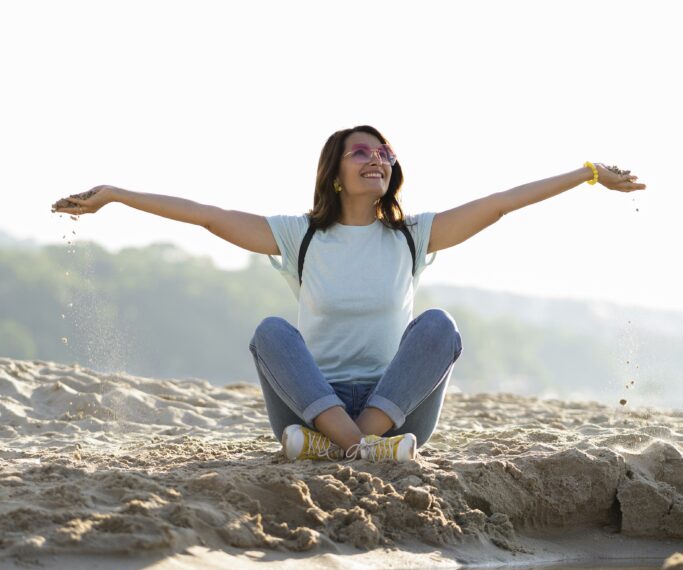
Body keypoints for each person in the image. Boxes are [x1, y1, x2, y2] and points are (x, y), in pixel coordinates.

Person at [52, 129, 645, 463]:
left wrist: (587, 172)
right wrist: (118, 195)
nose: (377, 159)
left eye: (384, 153)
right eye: (362, 152)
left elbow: (499, 204)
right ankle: (360, 447)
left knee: (439, 325)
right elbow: (209, 216)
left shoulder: (413, 236)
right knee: (271, 333)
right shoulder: (301, 236)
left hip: (397, 407)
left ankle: (343, 446)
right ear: (335, 172)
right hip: (313, 401)